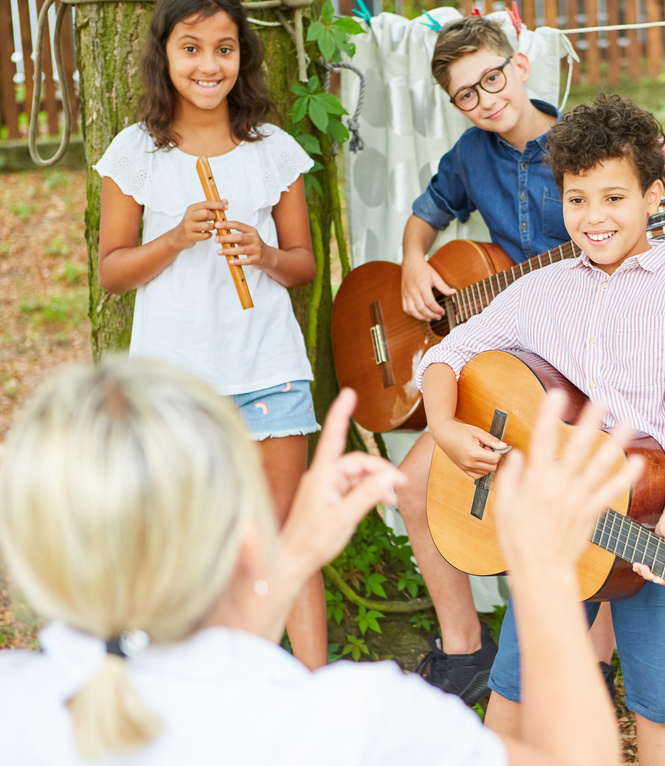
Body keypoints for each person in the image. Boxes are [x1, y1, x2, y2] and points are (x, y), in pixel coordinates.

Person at [0, 358, 630, 765]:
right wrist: (545, 571)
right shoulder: (357, 726)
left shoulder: (16, 706)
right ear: (248, 539)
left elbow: (181, 671)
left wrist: (290, 551)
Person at [416, 94, 665, 766]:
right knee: (517, 682)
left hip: (655, 520)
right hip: (555, 524)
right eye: (577, 199)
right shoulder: (541, 290)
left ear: (653, 195)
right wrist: (443, 426)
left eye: (613, 198)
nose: (594, 218)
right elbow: (447, 353)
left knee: (662, 694)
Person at [389, 16, 615, 702]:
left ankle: (593, 662)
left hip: (583, 361)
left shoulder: (584, 145)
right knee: (410, 486)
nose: (485, 98)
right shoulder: (468, 157)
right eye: (466, 94)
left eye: (492, 78)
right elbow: (427, 214)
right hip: (498, 357)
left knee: (580, 509)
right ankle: (466, 652)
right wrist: (410, 260)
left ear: (519, 66)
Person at [95, 0, 325, 669]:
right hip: (173, 382)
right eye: (191, 48)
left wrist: (263, 253)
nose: (208, 64)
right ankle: (181, 691)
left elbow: (303, 265)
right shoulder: (135, 151)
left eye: (223, 48)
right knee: (173, 540)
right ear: (164, 57)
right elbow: (112, 272)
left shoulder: (272, 150)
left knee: (283, 538)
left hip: (267, 368)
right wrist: (173, 238)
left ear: (242, 58)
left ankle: (315, 698)